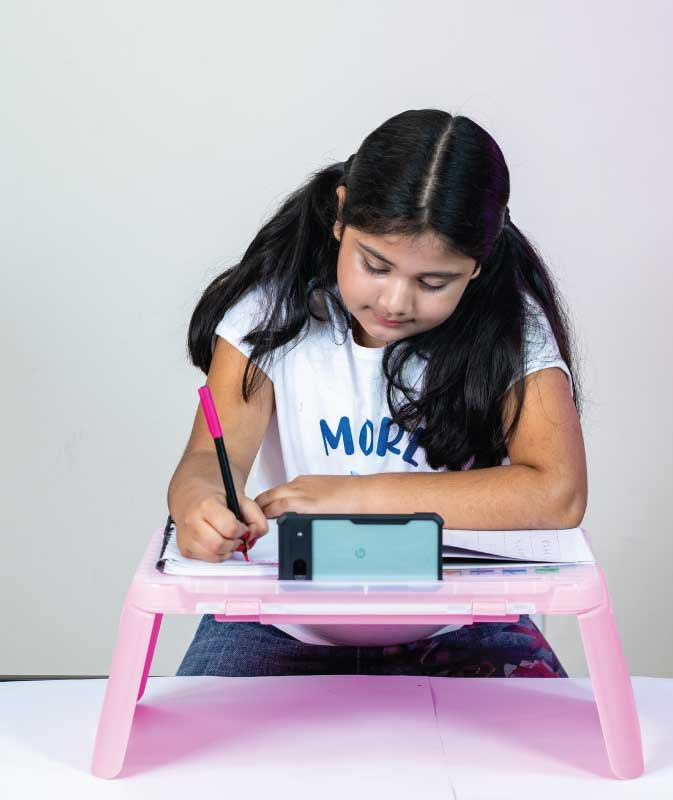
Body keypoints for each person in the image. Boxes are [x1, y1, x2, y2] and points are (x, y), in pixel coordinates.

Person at [169, 108, 587, 678]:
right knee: (197, 758)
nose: (395, 302)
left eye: (433, 282)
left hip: (461, 617)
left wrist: (356, 496)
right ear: (340, 214)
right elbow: (206, 460)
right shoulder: (272, 314)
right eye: (375, 265)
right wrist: (197, 502)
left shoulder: (512, 329)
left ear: (479, 265)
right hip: (277, 619)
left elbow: (558, 492)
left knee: (544, 758)